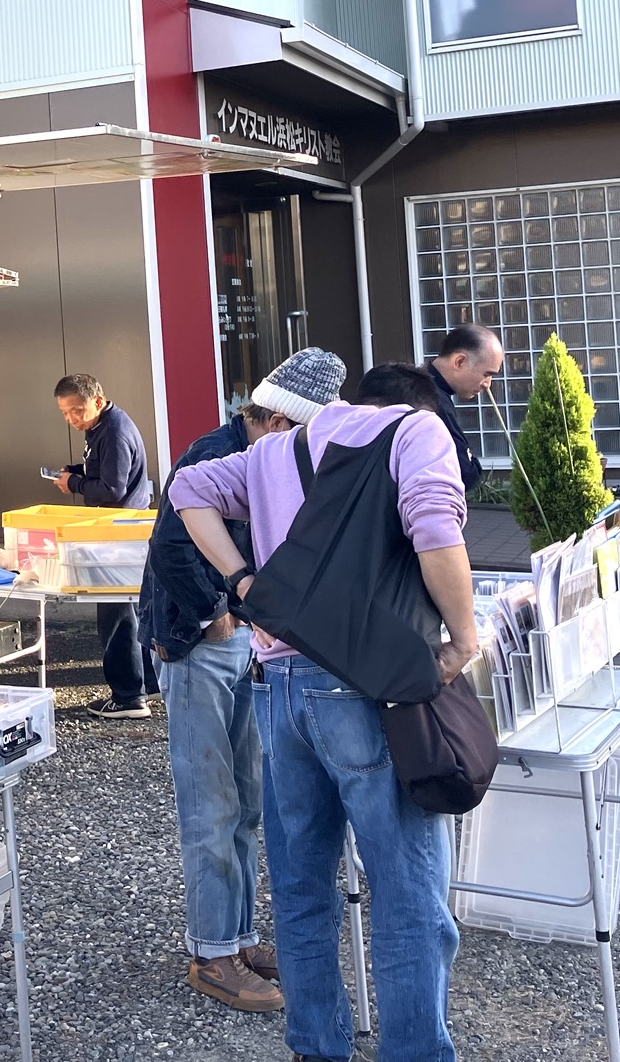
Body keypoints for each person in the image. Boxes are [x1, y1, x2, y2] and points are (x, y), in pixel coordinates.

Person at [169, 361, 477, 1062]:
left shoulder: (272, 452)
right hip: (369, 684)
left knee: (303, 887)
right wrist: (464, 637)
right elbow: (436, 531)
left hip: (280, 685)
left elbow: (186, 489)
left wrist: (243, 580)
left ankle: (317, 1046)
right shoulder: (416, 433)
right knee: (407, 891)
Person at [141, 347, 346, 1015]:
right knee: (211, 805)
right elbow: (169, 546)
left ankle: (240, 937)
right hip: (196, 641)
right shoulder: (215, 452)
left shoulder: (257, 449)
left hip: (239, 640)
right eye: (303, 438)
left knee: (247, 802)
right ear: (278, 422)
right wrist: (215, 611)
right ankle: (212, 954)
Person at [47, 372, 156, 718]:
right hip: (118, 530)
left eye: (77, 410)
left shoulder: (114, 431)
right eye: (65, 413)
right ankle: (147, 683)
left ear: (97, 400)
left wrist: (75, 483)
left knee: (116, 615)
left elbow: (113, 488)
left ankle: (128, 697)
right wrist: (75, 472)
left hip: (119, 532)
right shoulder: (101, 426)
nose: (72, 419)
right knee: (132, 612)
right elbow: (105, 471)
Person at [427, 323, 503, 492]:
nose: (487, 384)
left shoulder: (412, 386)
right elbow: (466, 473)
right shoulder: (430, 399)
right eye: (486, 374)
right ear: (459, 361)